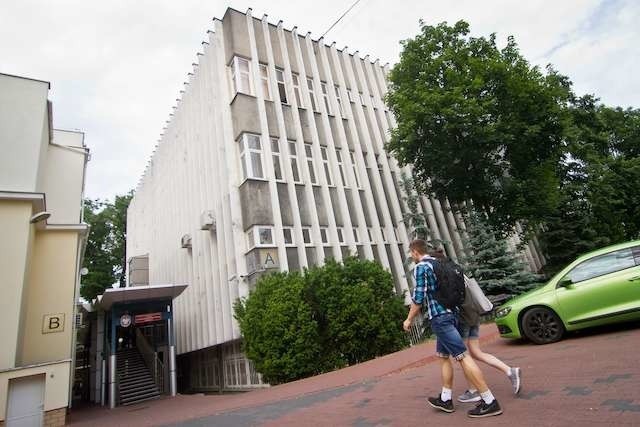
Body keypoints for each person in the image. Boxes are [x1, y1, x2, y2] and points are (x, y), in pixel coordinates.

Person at [403, 239, 502, 418]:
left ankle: (489, 401)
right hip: (453, 313)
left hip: (440, 318)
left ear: (415, 252)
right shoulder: (440, 262)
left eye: (411, 253)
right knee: (443, 357)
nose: (411, 256)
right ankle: (446, 399)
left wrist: (409, 319)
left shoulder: (421, 267)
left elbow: (418, 298)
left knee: (462, 357)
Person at [428, 248, 522, 403]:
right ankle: (510, 371)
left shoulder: (445, 275)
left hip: (463, 318)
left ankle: (475, 391)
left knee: (464, 356)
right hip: (474, 315)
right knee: (475, 353)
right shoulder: (457, 270)